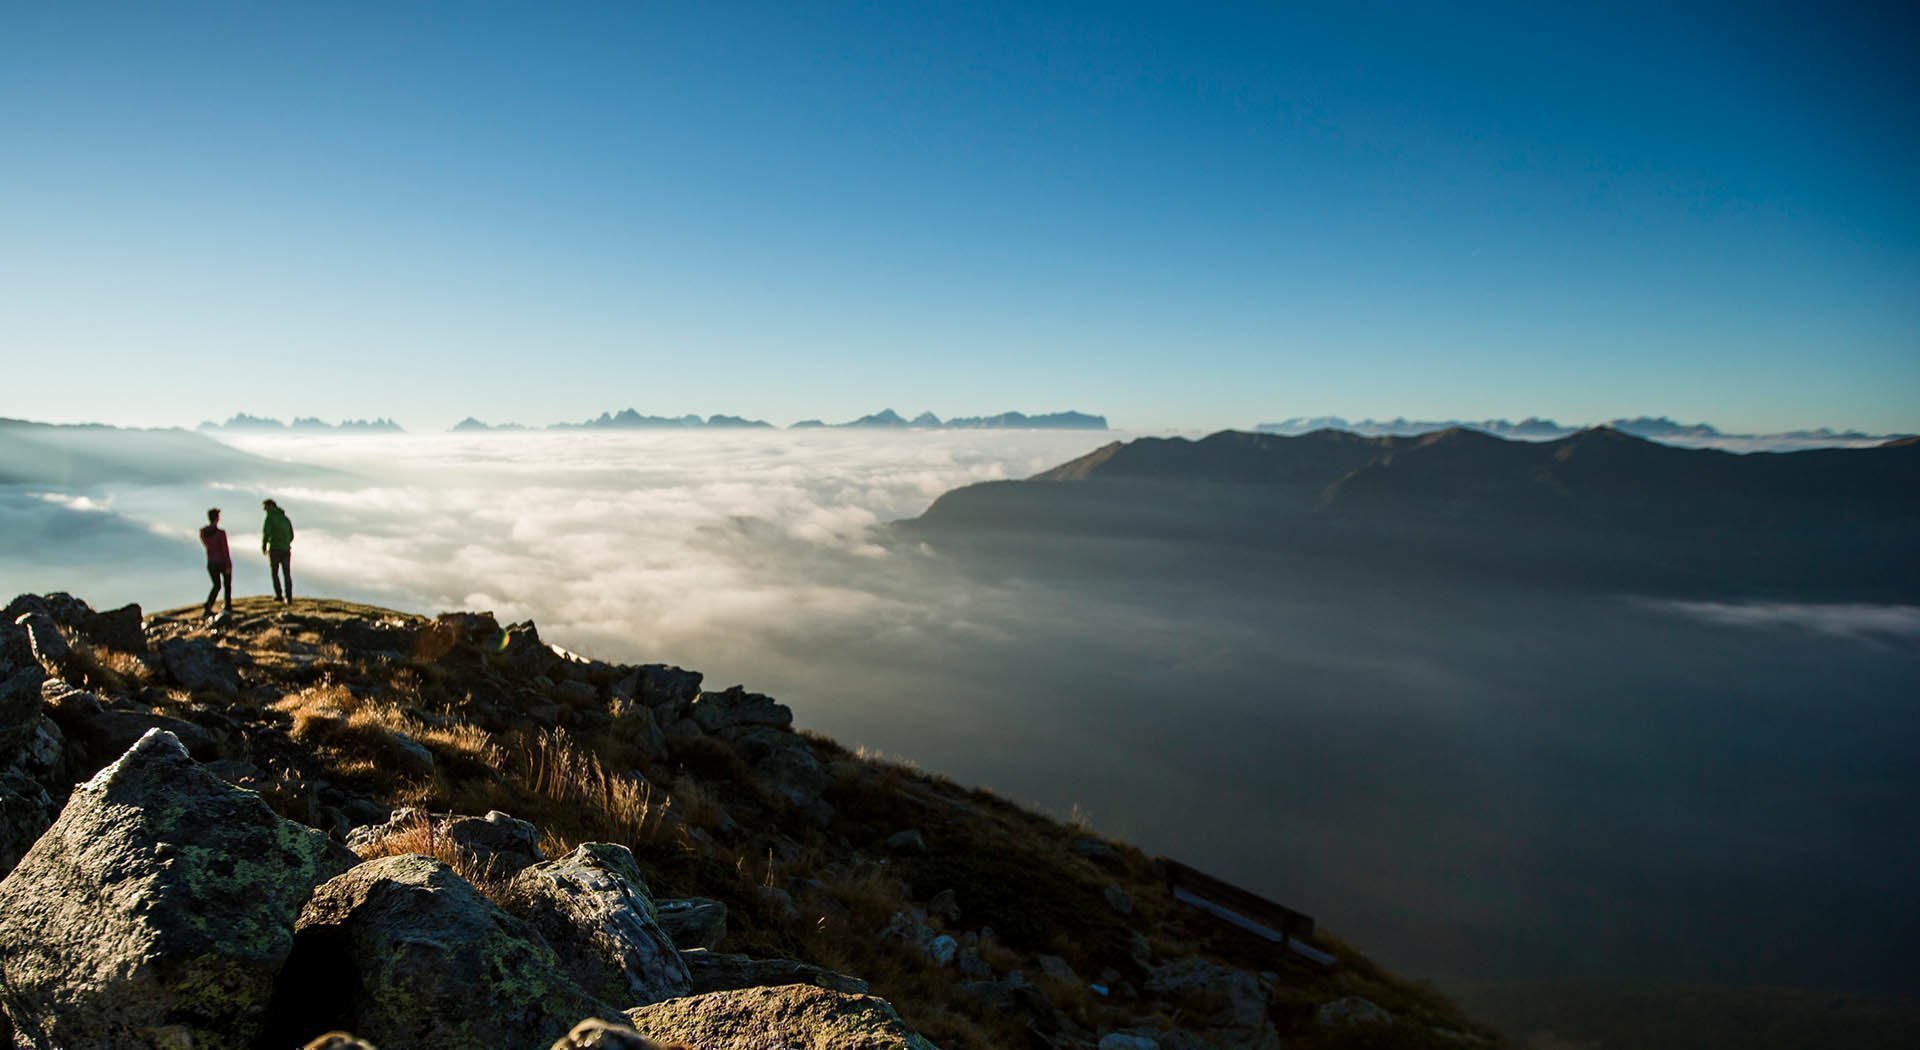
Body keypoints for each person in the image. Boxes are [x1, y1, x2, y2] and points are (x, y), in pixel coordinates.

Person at [199, 508, 233, 617]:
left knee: (216, 585)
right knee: (227, 584)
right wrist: (228, 564)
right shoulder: (220, 533)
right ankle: (227, 606)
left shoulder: (204, 533)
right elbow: (225, 550)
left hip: (211, 562)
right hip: (222, 562)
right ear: (217, 518)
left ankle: (208, 606)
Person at [261, 498, 295, 603]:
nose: (265, 510)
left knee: (275, 573)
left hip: (275, 549)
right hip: (285, 549)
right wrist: (286, 542)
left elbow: (266, 533)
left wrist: (264, 545)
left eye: (265, 507)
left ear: (270, 506)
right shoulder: (285, 518)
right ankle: (289, 597)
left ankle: (279, 595)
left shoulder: (269, 518)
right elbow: (291, 535)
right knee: (287, 573)